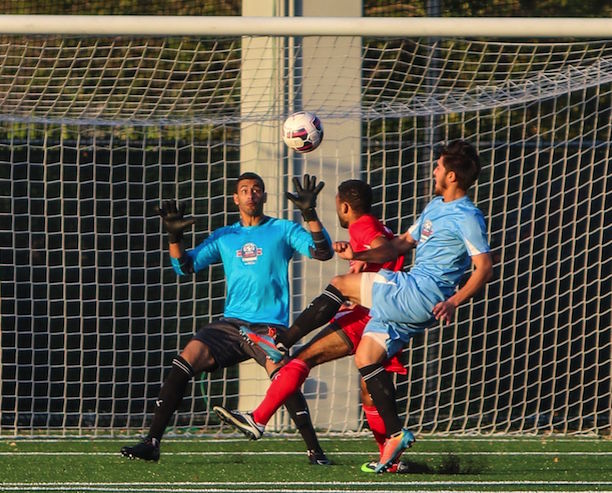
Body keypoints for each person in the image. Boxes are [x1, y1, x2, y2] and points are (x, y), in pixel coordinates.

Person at [244, 140, 492, 473]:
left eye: (438, 166)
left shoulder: (468, 215)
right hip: (411, 295)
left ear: (450, 174)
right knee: (366, 358)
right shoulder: (435, 206)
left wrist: (454, 300)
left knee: (340, 284)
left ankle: (280, 343)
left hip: (421, 292)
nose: (433, 170)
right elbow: (398, 246)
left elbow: (484, 267)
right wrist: (356, 255)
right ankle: (394, 435)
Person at [121, 172, 335, 464]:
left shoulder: (283, 229)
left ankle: (316, 452)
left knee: (283, 375)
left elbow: (322, 252)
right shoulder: (225, 236)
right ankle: (152, 442)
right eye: (245, 190)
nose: (251, 194)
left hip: (268, 325)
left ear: (264, 196)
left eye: (256, 189)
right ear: (236, 198)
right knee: (185, 359)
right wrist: (174, 236)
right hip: (230, 324)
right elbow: (185, 267)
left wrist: (309, 214)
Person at [213, 179, 411, 473]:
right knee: (370, 392)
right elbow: (384, 259)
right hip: (384, 313)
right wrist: (361, 270)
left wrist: (356, 258)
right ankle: (390, 457)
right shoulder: (376, 224)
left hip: (370, 317)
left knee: (301, 360)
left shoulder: (362, 226)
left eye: (337, 208)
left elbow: (385, 252)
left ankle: (259, 416)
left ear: (345, 206)